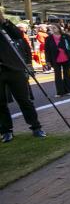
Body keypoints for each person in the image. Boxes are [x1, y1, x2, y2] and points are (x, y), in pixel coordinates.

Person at [0, 12, 46, 142]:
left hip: (14, 67)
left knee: (24, 100)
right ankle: (6, 131)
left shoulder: (5, 26)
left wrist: (4, 21)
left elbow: (18, 35)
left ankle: (36, 127)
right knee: (0, 103)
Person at [44, 23, 70, 97]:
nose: (52, 29)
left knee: (67, 74)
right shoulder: (48, 38)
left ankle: (69, 90)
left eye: (54, 27)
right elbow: (47, 50)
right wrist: (47, 61)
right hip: (55, 59)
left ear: (59, 28)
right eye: (52, 28)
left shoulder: (66, 36)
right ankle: (60, 92)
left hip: (66, 58)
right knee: (57, 76)